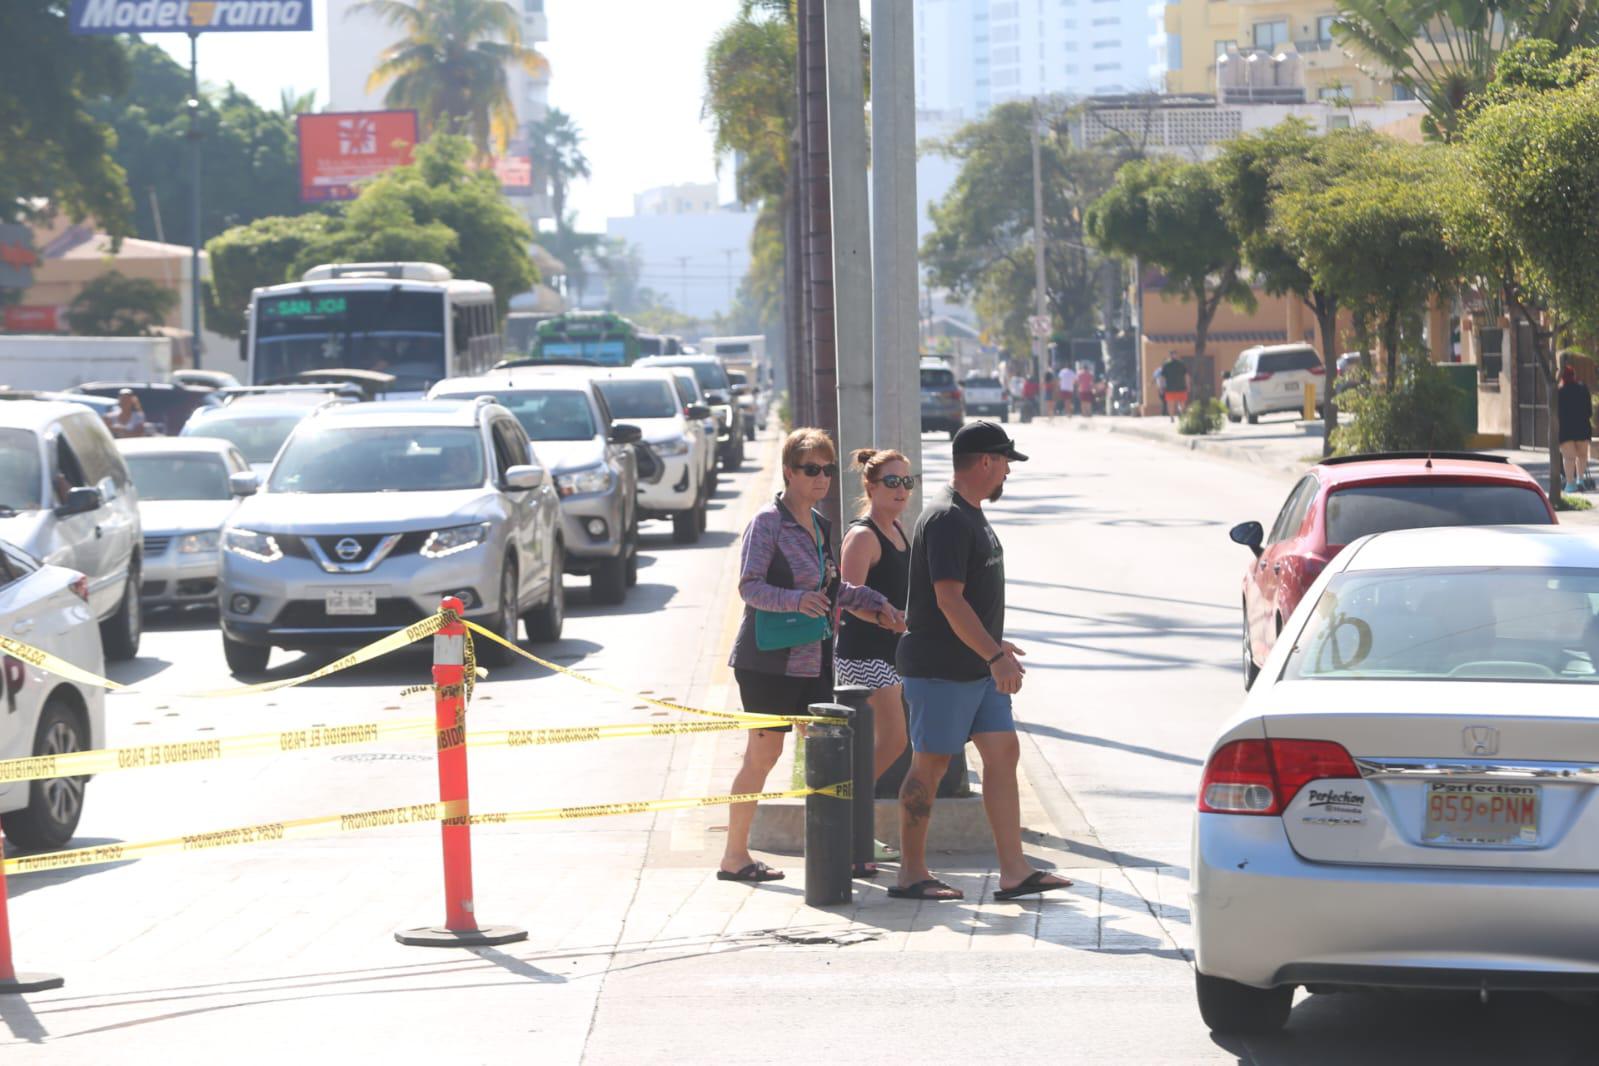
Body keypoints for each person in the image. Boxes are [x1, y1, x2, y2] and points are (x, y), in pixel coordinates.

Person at [891, 421, 1072, 902]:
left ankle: (1013, 871)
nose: (1008, 472)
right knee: (929, 765)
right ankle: (911, 873)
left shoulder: (970, 514)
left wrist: (996, 645)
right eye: (1006, 462)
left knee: (1003, 753)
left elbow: (970, 598)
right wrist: (992, 653)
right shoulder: (947, 518)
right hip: (942, 668)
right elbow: (948, 601)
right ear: (986, 462)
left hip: (979, 663)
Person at [719, 427, 904, 883]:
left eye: (827, 470)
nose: (821, 478)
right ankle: (734, 856)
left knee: (833, 754)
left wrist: (875, 604)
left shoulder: (820, 525)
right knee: (763, 757)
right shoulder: (768, 523)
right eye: (810, 469)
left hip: (816, 660)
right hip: (768, 662)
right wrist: (795, 600)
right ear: (789, 472)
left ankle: (838, 848)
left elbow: (833, 588)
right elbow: (750, 586)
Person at [836, 448, 915, 873]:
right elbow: (846, 598)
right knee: (893, 741)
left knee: (885, 743)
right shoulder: (864, 535)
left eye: (906, 481)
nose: (901, 490)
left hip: (889, 650)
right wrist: (884, 619)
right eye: (891, 481)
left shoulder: (898, 529)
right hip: (861, 653)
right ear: (870, 486)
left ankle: (849, 821)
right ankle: (846, 819)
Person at [1558, 364, 1594, 494]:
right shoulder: (1583, 389)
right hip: (1582, 429)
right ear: (1574, 375)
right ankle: (1580, 480)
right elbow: (1589, 412)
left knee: (1569, 458)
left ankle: (1570, 484)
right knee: (1582, 456)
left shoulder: (1558, 392)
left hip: (1565, 431)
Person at [1159, 355, 1189, 421]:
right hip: (1181, 387)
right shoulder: (1182, 364)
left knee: (1170, 404)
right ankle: (1181, 413)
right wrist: (1188, 386)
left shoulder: (1166, 365)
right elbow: (1186, 376)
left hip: (1170, 388)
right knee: (1182, 403)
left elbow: (1162, 378)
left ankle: (1172, 417)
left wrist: (1161, 387)